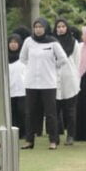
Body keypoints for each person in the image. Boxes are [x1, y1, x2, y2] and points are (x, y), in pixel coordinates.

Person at [21, 17, 69, 150]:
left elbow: (63, 59)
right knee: (30, 112)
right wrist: (32, 68)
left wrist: (53, 67)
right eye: (36, 27)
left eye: (40, 27)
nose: (38, 29)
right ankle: (29, 140)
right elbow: (23, 58)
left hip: (48, 83)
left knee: (50, 113)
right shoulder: (28, 41)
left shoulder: (53, 42)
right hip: (31, 83)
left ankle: (53, 140)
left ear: (45, 28)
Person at [53, 18, 81, 146]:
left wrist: (77, 79)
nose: (60, 29)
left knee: (70, 110)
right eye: (58, 27)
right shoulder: (51, 42)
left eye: (63, 26)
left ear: (67, 28)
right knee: (54, 110)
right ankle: (55, 136)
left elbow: (77, 62)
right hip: (53, 78)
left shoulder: (74, 42)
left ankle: (71, 135)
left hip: (70, 78)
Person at [7, 34, 27, 140]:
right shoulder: (4, 58)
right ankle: (14, 132)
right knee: (12, 112)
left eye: (15, 42)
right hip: (9, 90)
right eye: (11, 42)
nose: (13, 45)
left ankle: (24, 132)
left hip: (22, 89)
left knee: (22, 111)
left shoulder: (23, 57)